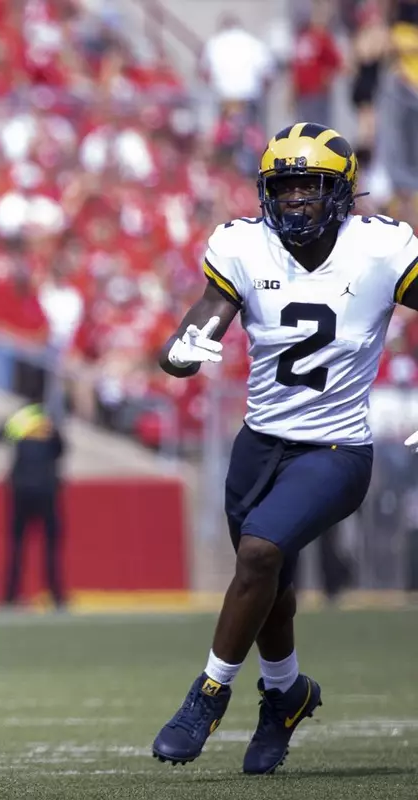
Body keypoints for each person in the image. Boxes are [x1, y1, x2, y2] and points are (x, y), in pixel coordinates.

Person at [151, 123, 418, 774]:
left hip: (334, 449)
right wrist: (182, 350)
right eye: (285, 185)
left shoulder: (381, 249)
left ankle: (208, 694)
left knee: (261, 551)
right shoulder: (244, 246)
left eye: (310, 185)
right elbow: (207, 313)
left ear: (342, 192)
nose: (296, 200)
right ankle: (285, 696)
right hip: (259, 444)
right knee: (270, 582)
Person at [0, 402, 67, 609]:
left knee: (17, 548)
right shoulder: (49, 427)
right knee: (49, 548)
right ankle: (56, 597)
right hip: (46, 491)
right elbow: (61, 451)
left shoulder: (18, 424)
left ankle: (10, 597)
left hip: (22, 491)